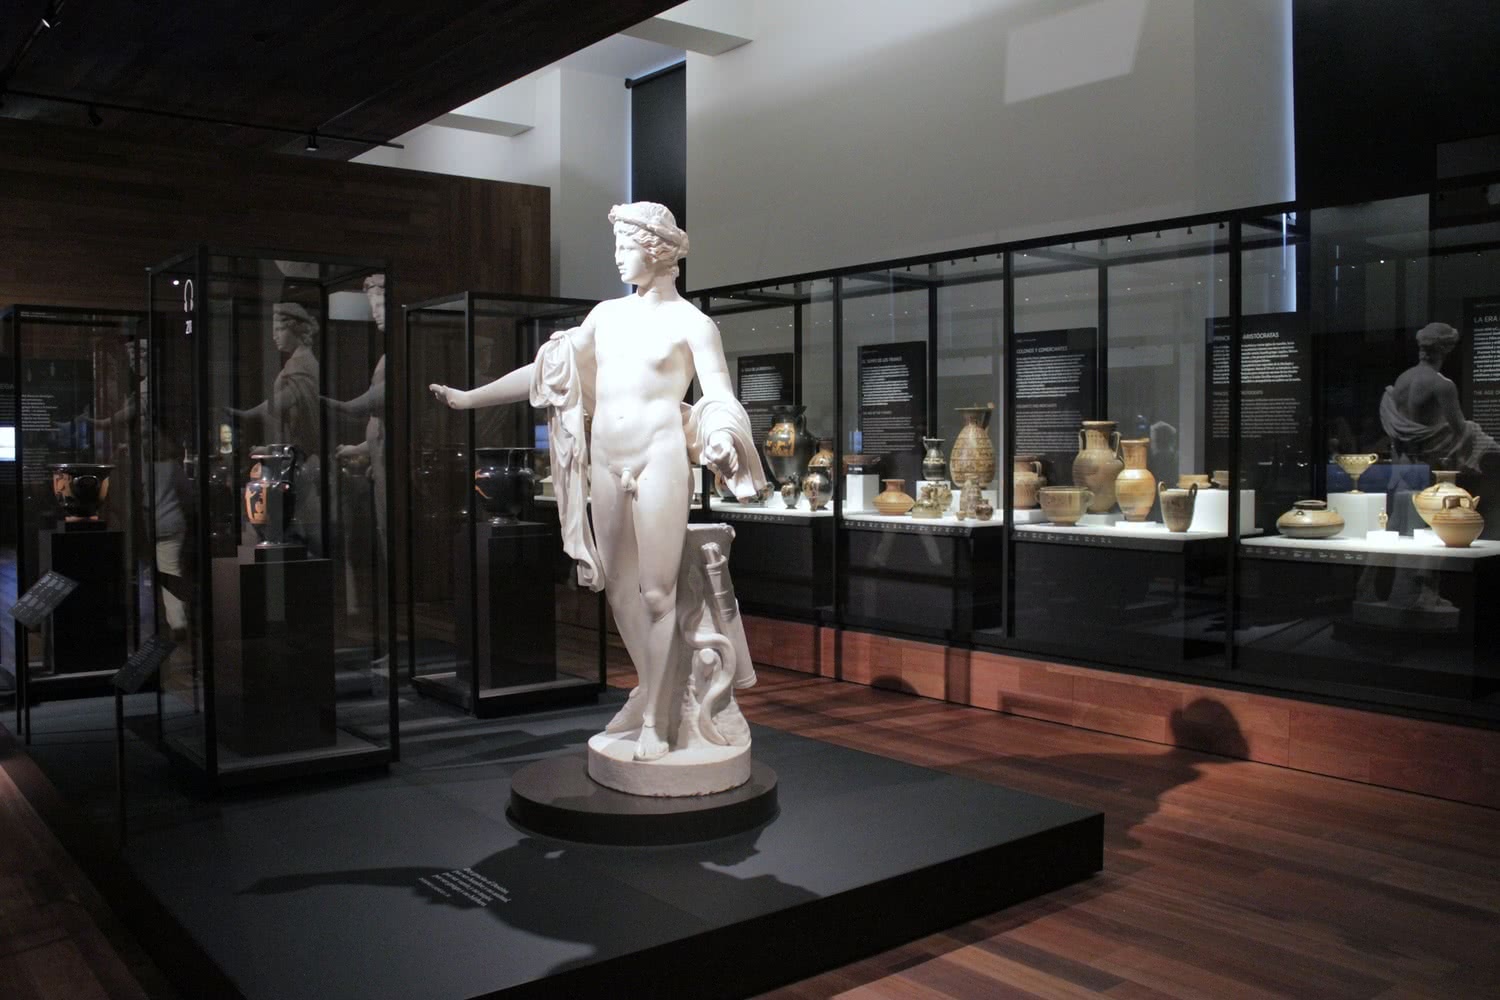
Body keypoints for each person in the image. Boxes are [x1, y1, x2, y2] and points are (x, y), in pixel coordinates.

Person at [430, 203, 764, 763]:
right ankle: (652, 690)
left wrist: (722, 434)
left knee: (657, 592)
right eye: (616, 247)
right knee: (618, 588)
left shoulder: (693, 324)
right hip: (606, 461)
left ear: (656, 250)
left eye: (626, 247)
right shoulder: (605, 317)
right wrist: (470, 398)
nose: (617, 258)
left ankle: (656, 720)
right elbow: (547, 373)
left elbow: (719, 394)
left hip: (659, 460)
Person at [229, 302, 323, 552]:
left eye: (279, 329)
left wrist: (248, 415)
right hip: (294, 456)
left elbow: (281, 403)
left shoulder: (301, 365)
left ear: (295, 329)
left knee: (305, 523)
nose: (274, 336)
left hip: (302, 458)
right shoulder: (295, 364)